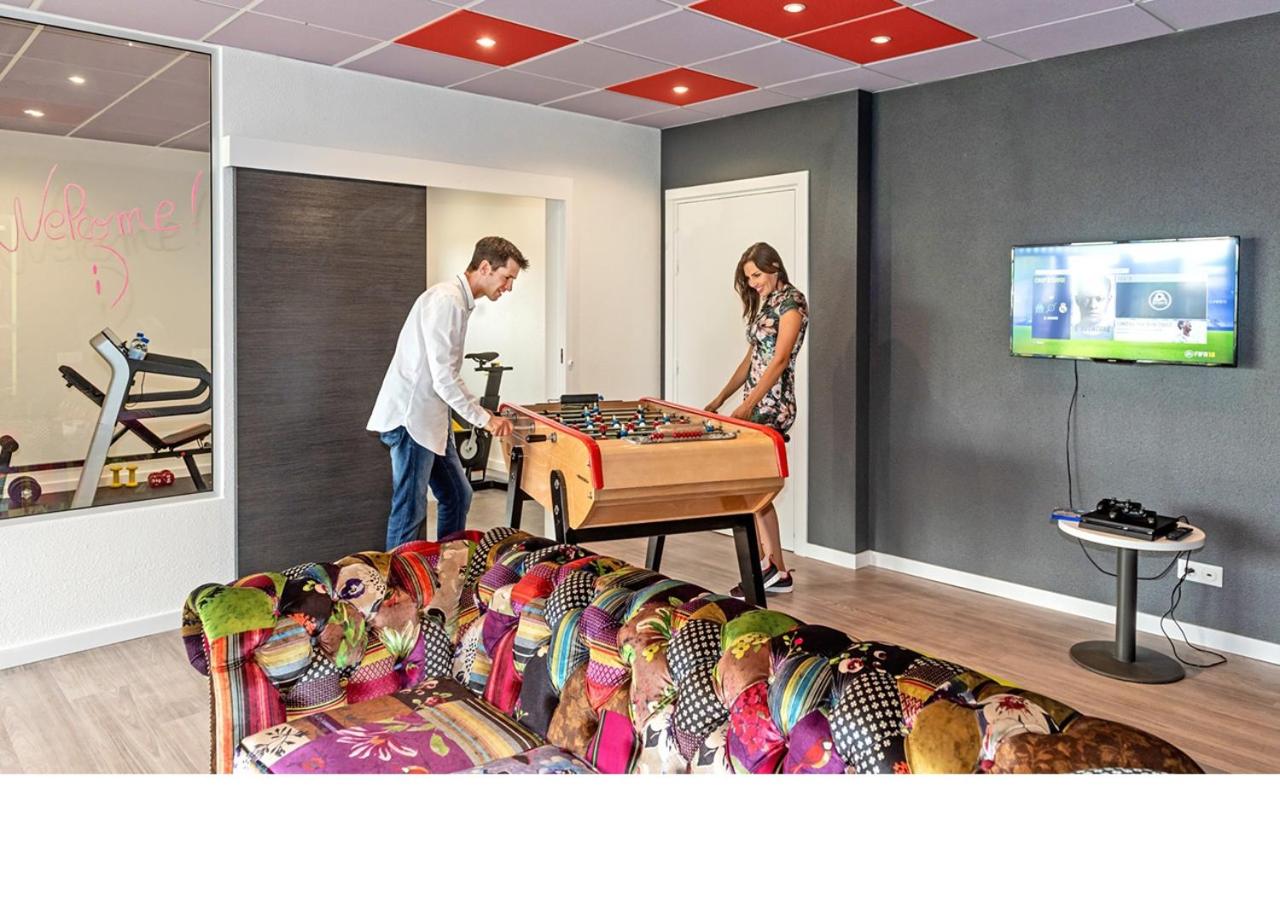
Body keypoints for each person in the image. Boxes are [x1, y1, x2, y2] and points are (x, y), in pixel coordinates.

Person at [368, 236, 524, 550]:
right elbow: (443, 378)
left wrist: (480, 411)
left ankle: (449, 563)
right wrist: (485, 420)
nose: (508, 287)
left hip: (430, 422)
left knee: (457, 494)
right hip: (412, 420)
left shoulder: (458, 302)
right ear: (485, 267)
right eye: (507, 277)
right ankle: (397, 578)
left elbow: (445, 373)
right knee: (409, 510)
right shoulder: (447, 301)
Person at [705, 242, 808, 597]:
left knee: (754, 487)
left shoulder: (792, 303)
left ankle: (775, 567)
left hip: (773, 405)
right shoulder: (769, 304)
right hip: (755, 403)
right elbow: (751, 361)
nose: (753, 283)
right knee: (753, 488)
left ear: (774, 267)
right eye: (748, 278)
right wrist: (721, 398)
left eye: (757, 275)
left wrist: (748, 405)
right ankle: (774, 566)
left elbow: (779, 361)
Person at [1070, 272, 1115, 340]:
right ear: (1077, 300)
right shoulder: (1066, 335)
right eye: (1086, 298)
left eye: (1099, 299)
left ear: (1109, 300)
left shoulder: (1117, 335)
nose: (1092, 306)